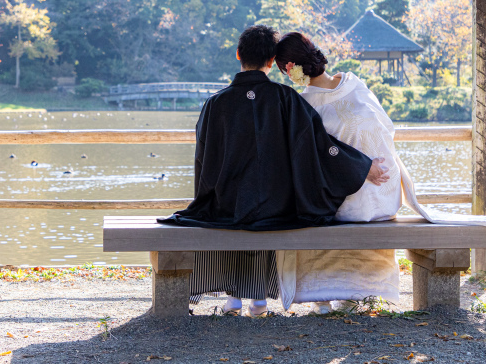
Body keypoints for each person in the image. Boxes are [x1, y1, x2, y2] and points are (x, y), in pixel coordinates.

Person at [272, 32, 486, 314]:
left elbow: (319, 157)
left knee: (312, 204)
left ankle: (325, 293)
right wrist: (371, 165)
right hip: (385, 190)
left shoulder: (307, 103)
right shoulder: (352, 84)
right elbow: (383, 128)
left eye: (283, 69)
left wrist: (363, 169)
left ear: (290, 68)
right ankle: (353, 291)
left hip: (354, 197)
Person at [158, 25, 390, 317]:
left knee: (230, 206)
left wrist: (208, 197)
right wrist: (362, 166)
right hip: (277, 209)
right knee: (268, 202)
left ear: (239, 54)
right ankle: (258, 300)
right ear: (271, 61)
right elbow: (320, 146)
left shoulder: (215, 103)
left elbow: (204, 162)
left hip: (224, 206)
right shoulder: (286, 98)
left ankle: (234, 298)